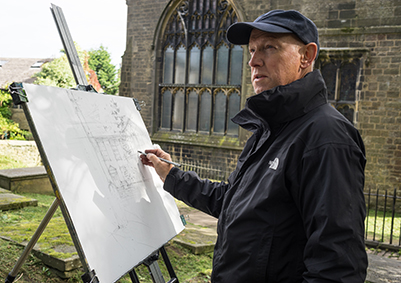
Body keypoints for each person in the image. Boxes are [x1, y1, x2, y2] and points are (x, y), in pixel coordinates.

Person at [141, 10, 368, 283]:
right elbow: (232, 202)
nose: (253, 61)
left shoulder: (326, 137)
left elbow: (337, 268)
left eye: (269, 47)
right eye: (251, 50)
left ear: (306, 56)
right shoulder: (269, 130)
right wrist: (170, 174)